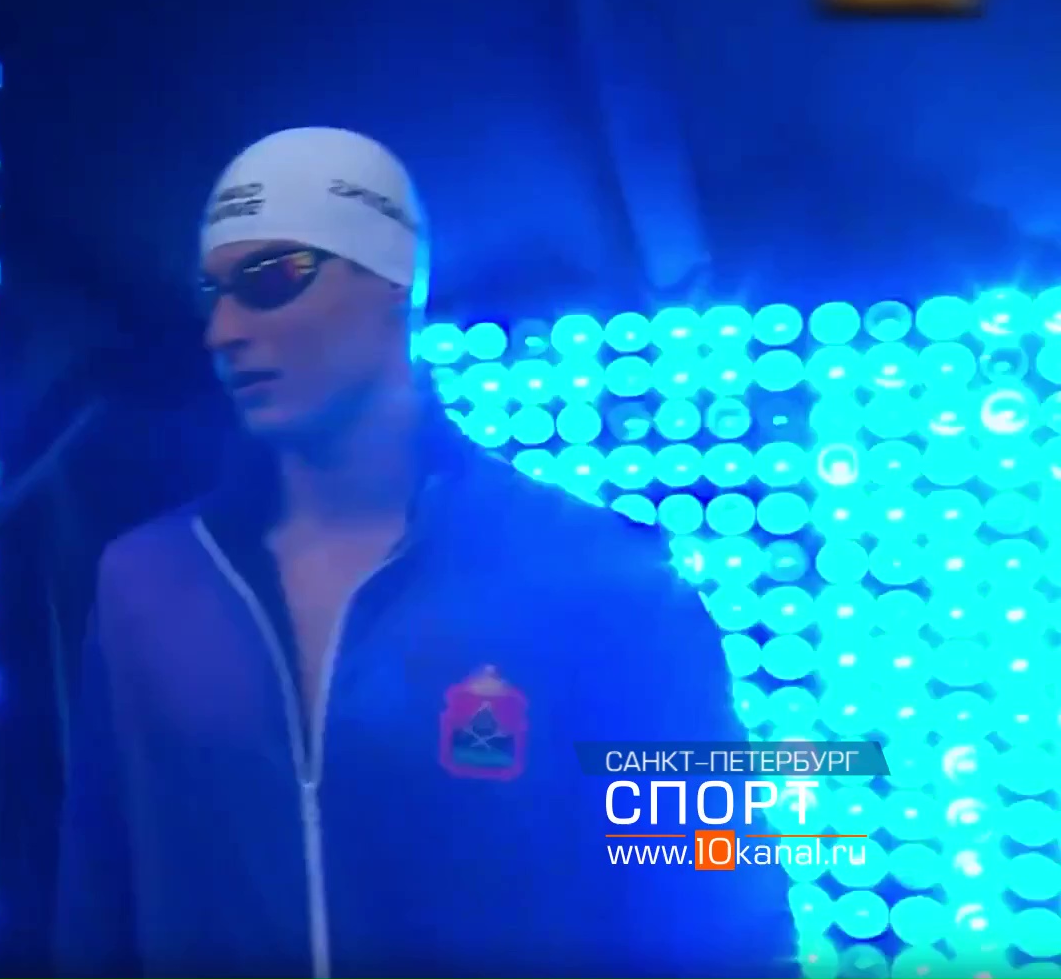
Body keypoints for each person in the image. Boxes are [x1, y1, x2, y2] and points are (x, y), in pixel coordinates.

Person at [54, 127, 795, 978]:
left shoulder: (601, 577)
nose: (224, 330)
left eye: (272, 280)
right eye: (213, 293)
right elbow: (96, 908)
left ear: (392, 282)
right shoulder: (146, 584)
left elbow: (723, 909)